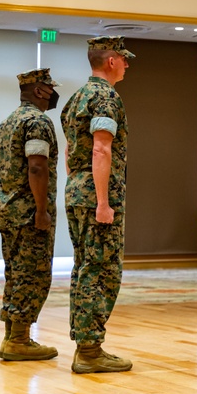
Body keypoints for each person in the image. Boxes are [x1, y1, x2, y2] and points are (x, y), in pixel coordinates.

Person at [60, 36, 134, 373]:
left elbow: (68, 150)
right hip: (96, 196)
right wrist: (103, 202)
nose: (127, 65)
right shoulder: (106, 98)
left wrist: (78, 187)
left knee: (84, 267)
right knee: (103, 269)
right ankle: (90, 350)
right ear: (111, 61)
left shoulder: (76, 98)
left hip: (76, 190)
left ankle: (85, 344)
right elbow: (101, 149)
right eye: (125, 59)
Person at [0, 68, 61, 362]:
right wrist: (42, 210)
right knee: (32, 274)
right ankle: (19, 339)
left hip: (8, 208)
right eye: (51, 89)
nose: (54, 95)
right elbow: (36, 167)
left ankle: (12, 336)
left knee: (15, 272)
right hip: (29, 212)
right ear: (40, 91)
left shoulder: (6, 123)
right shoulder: (37, 122)